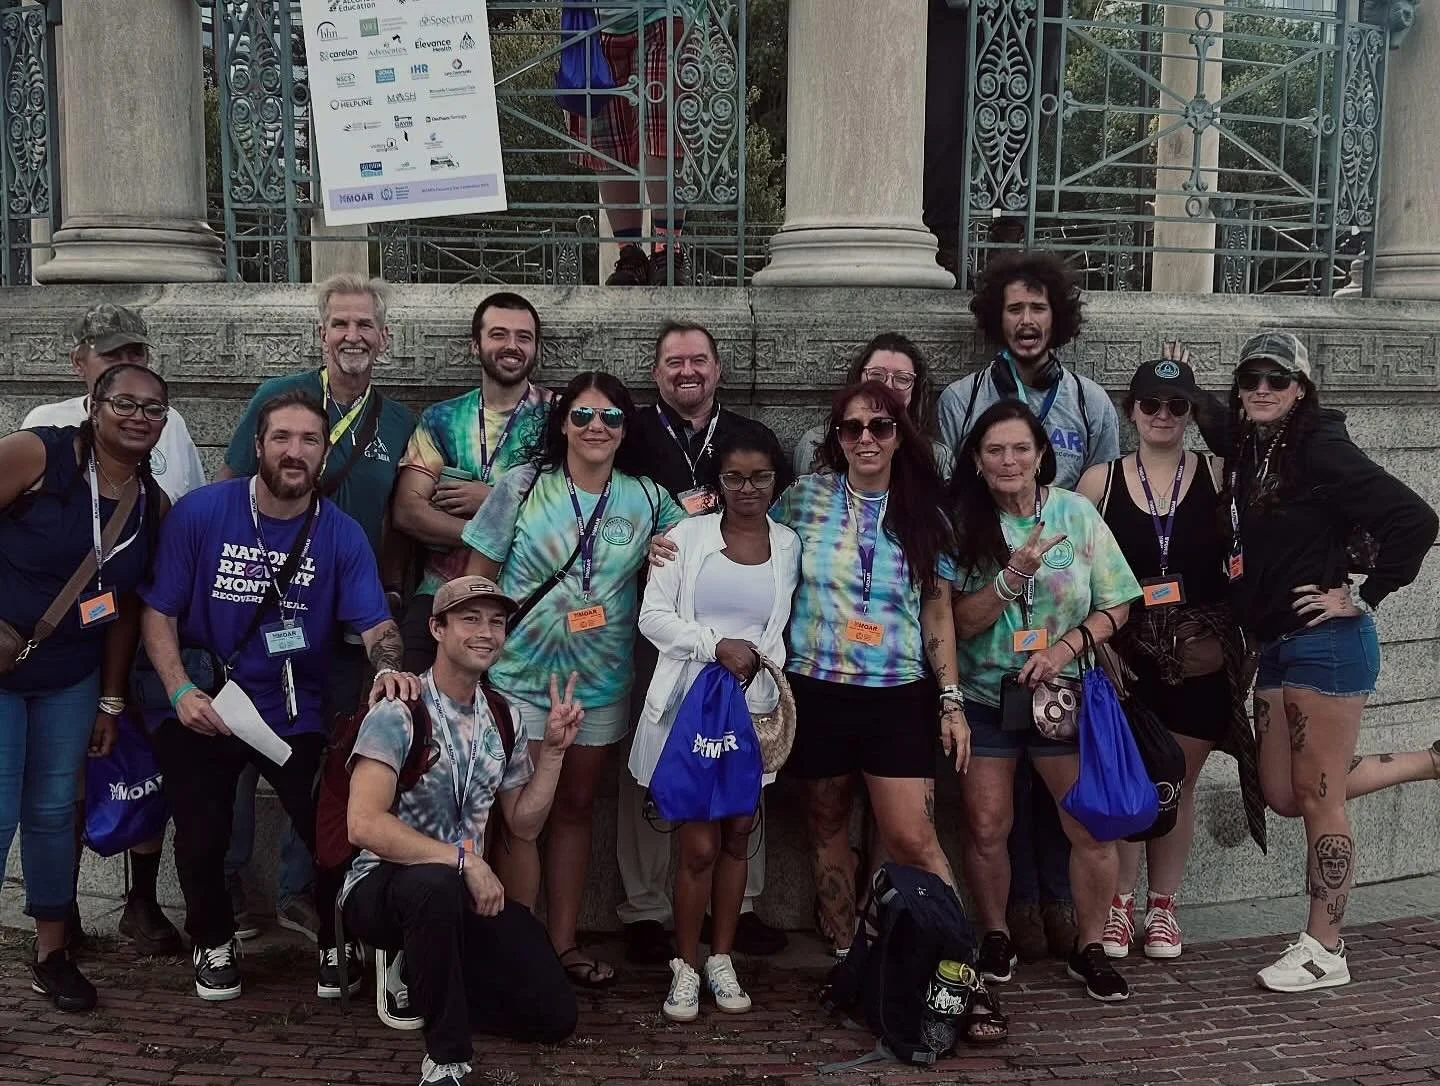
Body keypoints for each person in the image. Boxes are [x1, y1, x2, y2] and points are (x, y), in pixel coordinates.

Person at [140, 390, 417, 1003]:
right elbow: (157, 612)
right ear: (258, 445)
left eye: (310, 441)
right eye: (283, 438)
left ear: (323, 455)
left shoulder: (340, 535)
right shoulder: (202, 513)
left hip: (291, 709)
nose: (295, 452)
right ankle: (213, 940)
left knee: (329, 822)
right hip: (205, 701)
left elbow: (377, 625)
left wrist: (388, 668)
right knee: (203, 832)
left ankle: (334, 942)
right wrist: (178, 689)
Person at [1217, 332, 1438, 992]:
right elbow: (1199, 413)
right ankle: (1432, 761)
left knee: (1317, 798)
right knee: (1284, 792)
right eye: (1251, 378)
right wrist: (1181, 384)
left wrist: (1363, 596)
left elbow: (1415, 519)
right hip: (1278, 646)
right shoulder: (1257, 447)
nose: (1262, 389)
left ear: (1302, 390)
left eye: (1277, 380)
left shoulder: (1318, 444)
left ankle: (1324, 948)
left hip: (1326, 648)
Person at [463, 371, 685, 988]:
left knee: (577, 808)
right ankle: (517, 942)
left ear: (625, 429)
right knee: (519, 815)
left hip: (600, 682)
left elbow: (694, 540)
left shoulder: (646, 497)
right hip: (518, 678)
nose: (596, 428)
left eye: (611, 418)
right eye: (584, 416)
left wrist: (682, 534)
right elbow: (476, 580)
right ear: (563, 422)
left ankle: (560, 945)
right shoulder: (523, 485)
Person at [935, 251, 1123, 961]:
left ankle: (1072, 921)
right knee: (991, 815)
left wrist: (1069, 625)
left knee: (1067, 810)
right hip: (989, 667)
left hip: (1064, 633)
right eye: (1014, 308)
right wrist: (1009, 570)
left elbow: (1103, 494)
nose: (1026, 320)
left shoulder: (1090, 402)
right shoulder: (961, 398)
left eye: (1039, 307)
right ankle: (1005, 923)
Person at [218, 273, 415, 942]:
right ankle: (227, 888)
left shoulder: (397, 421)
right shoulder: (281, 397)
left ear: (384, 339)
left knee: (326, 753)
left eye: (365, 325)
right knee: (237, 753)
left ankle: (300, 889)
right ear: (321, 334)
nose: (352, 336)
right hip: (260, 612)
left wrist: (384, 597)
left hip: (341, 622)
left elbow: (395, 521)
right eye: (340, 324)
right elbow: (228, 490)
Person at [343, 576, 579, 1086]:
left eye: (496, 621)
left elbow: (522, 823)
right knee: (433, 883)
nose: (486, 632)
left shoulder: (504, 715)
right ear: (437, 628)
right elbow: (362, 825)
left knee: (555, 1016)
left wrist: (555, 754)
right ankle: (447, 1058)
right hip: (382, 888)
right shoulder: (399, 709)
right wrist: (465, 860)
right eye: (470, 618)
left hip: (459, 894)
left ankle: (433, 979)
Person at [20, 304, 201, 957]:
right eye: (111, 362)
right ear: (83, 372)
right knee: (43, 788)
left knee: (124, 768)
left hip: (117, 638)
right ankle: (59, 909)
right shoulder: (42, 435)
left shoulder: (166, 433)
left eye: (138, 359)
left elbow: (177, 525)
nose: (130, 380)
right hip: (35, 649)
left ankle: (119, 912)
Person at [770, 382, 969, 963]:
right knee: (825, 821)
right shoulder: (803, 499)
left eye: (880, 427)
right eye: (852, 428)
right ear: (837, 438)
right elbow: (754, 547)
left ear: (900, 436)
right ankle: (847, 947)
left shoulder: (926, 516)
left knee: (912, 837)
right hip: (818, 687)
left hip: (898, 692)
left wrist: (951, 700)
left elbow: (937, 609)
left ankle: (958, 962)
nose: (866, 438)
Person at [948, 400, 1140, 1003]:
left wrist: (1063, 649)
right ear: (977, 461)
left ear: (1040, 455)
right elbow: (955, 622)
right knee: (986, 825)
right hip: (986, 694)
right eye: (995, 450)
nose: (1009, 461)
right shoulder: (959, 521)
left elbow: (1119, 603)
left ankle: (1090, 947)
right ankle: (998, 934)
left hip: (1062, 692)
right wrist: (1011, 577)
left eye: (1020, 448)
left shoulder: (1076, 513)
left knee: (1087, 825)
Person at [1076, 352, 1264, 962]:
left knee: (1176, 785)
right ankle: (1119, 905)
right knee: (1133, 781)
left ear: (1190, 413)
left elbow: (1251, 438)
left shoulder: (1217, 474)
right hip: (1127, 658)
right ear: (1130, 410)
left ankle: (1163, 906)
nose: (1163, 415)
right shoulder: (1099, 483)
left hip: (1200, 653)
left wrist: (1206, 396)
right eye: (1150, 404)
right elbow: (1075, 574)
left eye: (1176, 405)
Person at [0, 363, 170, 1011]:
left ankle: (51, 952)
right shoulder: (35, 453)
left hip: (71, 675)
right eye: (124, 402)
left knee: (52, 814)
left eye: (153, 409)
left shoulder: (150, 504)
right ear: (93, 406)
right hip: (3, 670)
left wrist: (111, 697)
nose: (138, 416)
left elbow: (124, 605)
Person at [619, 320, 789, 964]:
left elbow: (775, 531)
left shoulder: (751, 439)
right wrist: (649, 543)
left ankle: (739, 907)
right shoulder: (631, 432)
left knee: (748, 763)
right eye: (672, 362)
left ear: (717, 369)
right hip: (658, 621)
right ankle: (643, 907)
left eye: (698, 361)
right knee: (658, 764)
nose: (686, 372)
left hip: (742, 644)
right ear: (656, 372)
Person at [633, 426, 799, 1021]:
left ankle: (721, 958)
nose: (747, 489)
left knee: (736, 836)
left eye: (759, 477)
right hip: (689, 710)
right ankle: (684, 963)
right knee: (698, 844)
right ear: (718, 482)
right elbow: (652, 617)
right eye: (734, 477)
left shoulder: (789, 544)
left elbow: (778, 630)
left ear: (776, 481)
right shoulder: (684, 537)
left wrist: (755, 666)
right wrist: (714, 645)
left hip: (752, 714)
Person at [393, 291, 553, 673]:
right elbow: (408, 511)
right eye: (498, 334)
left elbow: (570, 511)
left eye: (523, 337)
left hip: (525, 601)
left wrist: (492, 501)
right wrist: (492, 531)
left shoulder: (562, 418)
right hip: (441, 595)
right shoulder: (441, 419)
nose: (511, 346)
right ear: (475, 345)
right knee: (407, 701)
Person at [562, 3, 703, 285]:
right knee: (607, 140)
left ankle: (667, 248)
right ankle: (630, 254)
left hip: (664, 12)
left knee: (664, 128)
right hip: (594, 22)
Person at [792, 333, 956, 480]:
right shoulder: (815, 445)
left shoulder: (936, 457)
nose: (888, 386)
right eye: (876, 375)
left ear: (916, 390)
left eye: (902, 378)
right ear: (858, 379)